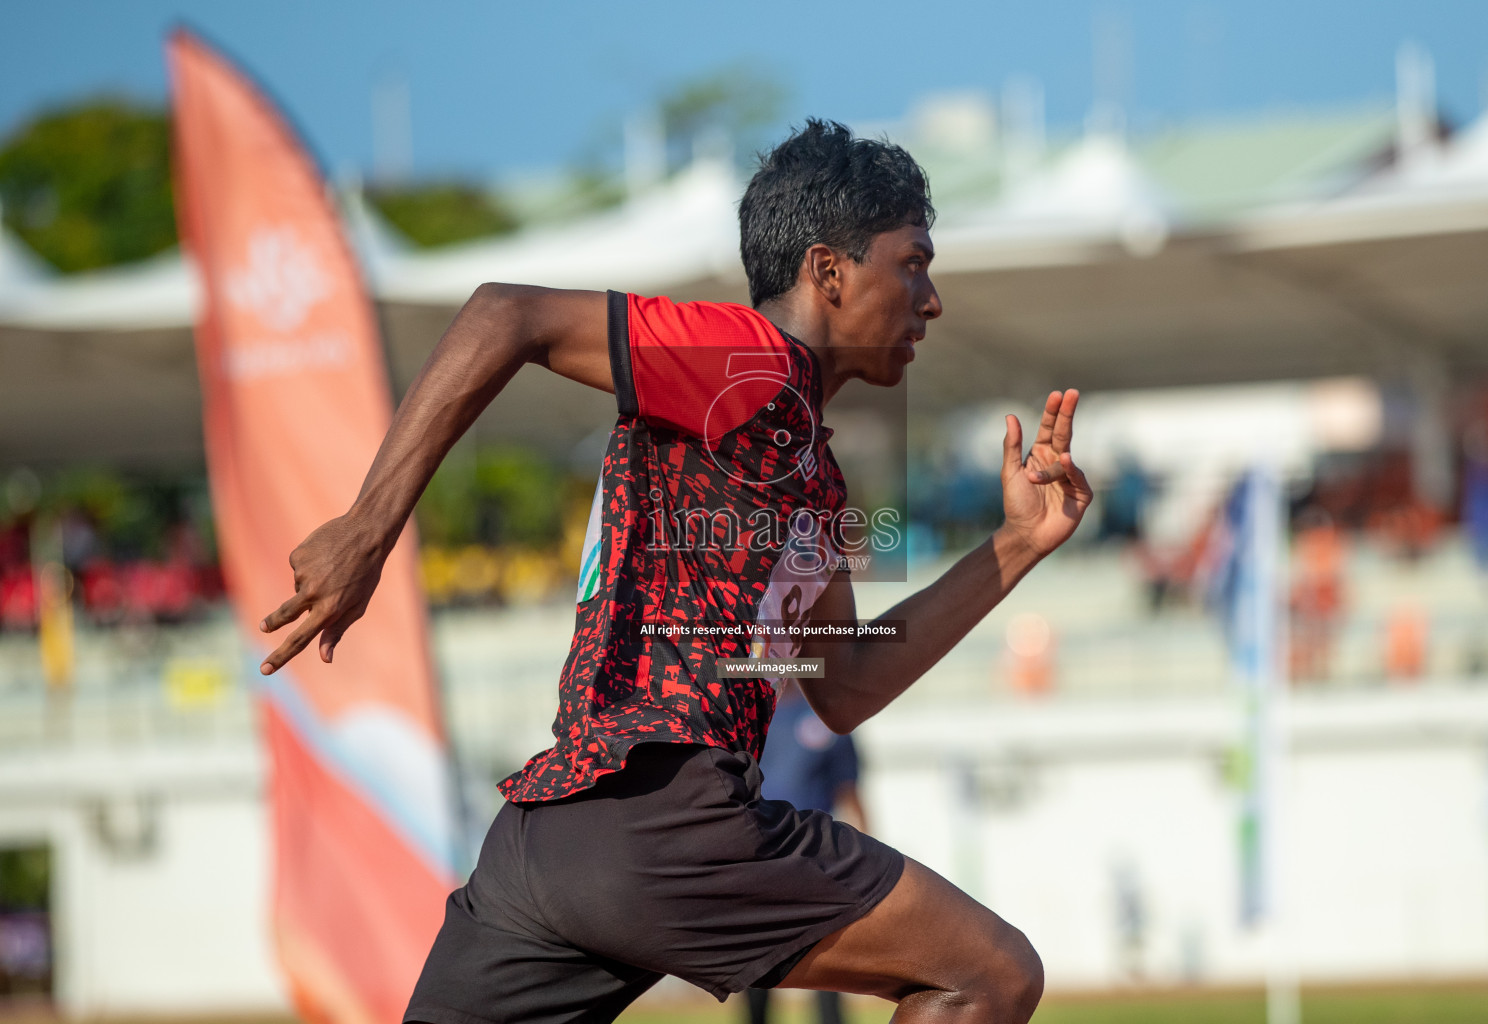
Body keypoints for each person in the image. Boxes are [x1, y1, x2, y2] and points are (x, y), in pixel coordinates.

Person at [258, 119, 1092, 1024]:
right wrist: (368, 529)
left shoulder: (809, 469)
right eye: (914, 263)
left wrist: (1015, 544)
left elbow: (845, 681)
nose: (931, 300)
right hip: (671, 823)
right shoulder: (750, 363)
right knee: (992, 975)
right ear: (830, 271)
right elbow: (508, 312)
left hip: (548, 838)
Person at [745, 681, 868, 1024]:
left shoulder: (827, 718)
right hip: (759, 855)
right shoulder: (747, 716)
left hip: (818, 857)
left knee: (827, 953)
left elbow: (850, 790)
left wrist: (865, 853)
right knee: (756, 958)